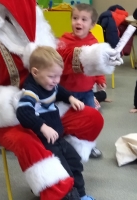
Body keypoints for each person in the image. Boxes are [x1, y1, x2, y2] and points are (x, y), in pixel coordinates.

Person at [0, 0, 122, 200]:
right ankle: (59, 191)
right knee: (28, 142)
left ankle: (64, 170)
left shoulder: (35, 28)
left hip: (45, 107)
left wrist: (98, 57)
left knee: (91, 118)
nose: (33, 3)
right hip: (8, 119)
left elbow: (57, 59)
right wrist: (13, 105)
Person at [17, 46, 94, 200]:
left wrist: (71, 98)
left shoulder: (49, 84)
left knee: (74, 162)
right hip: (45, 143)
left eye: (59, 76)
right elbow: (23, 112)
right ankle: (72, 197)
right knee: (63, 171)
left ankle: (81, 194)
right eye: (52, 76)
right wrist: (42, 126)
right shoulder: (31, 91)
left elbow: (59, 90)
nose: (56, 81)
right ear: (35, 72)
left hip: (57, 138)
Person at [57, 3, 110, 158]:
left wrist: (100, 79)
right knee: (66, 119)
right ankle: (64, 144)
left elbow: (98, 64)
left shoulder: (94, 43)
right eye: (75, 18)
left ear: (92, 24)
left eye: (84, 19)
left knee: (90, 119)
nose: (78, 22)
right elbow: (59, 61)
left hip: (87, 91)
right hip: (66, 91)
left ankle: (89, 145)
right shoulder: (64, 40)